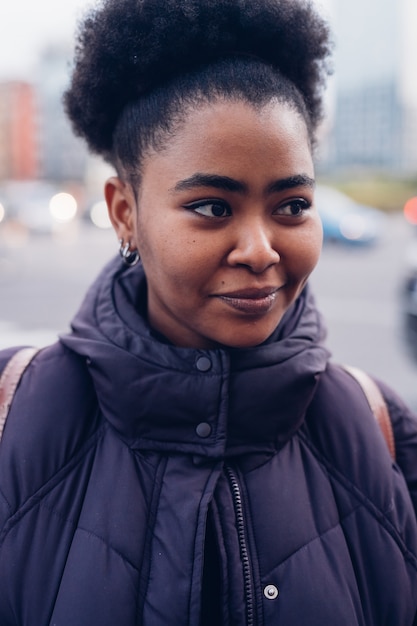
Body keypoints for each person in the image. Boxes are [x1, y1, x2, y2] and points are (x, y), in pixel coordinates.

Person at [1, 0, 417, 624]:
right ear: (124, 212)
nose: (260, 249)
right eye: (212, 207)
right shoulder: (14, 418)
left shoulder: (377, 428)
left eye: (293, 205)